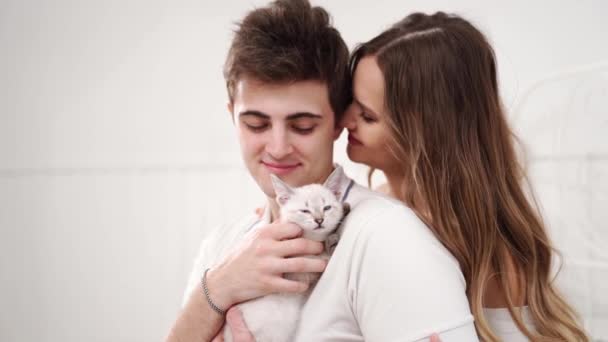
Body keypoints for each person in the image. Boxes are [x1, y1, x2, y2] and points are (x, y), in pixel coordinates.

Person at [166, 1, 479, 341]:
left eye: (302, 126)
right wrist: (215, 290)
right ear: (232, 116)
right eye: (256, 124)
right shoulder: (221, 249)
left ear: (338, 123)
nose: (277, 147)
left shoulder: (390, 238)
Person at [340, 11, 589, 341]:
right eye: (349, 102)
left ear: (424, 133)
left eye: (367, 116)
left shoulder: (488, 261)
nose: (344, 119)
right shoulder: (378, 205)